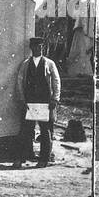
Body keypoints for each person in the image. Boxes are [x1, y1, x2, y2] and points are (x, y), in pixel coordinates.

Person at [14, 36, 61, 167]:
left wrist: (55, 99)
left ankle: (44, 159)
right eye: (35, 47)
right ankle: (21, 158)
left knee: (45, 132)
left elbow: (56, 81)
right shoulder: (25, 64)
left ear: (43, 48)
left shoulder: (49, 63)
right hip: (30, 103)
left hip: (45, 102)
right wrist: (22, 99)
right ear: (31, 48)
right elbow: (19, 81)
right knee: (26, 131)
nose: (38, 49)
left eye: (40, 47)